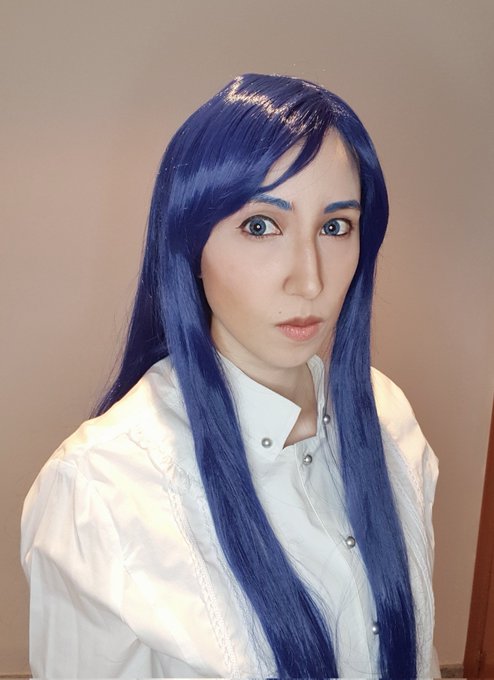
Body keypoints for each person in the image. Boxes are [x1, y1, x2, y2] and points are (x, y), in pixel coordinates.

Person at [21, 73, 439, 679]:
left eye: (335, 227)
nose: (310, 280)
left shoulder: (390, 418)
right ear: (191, 245)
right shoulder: (102, 491)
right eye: (261, 226)